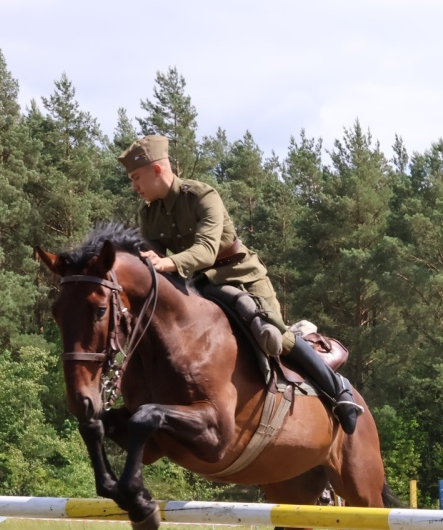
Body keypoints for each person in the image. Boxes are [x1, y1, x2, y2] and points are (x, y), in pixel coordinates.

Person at [119, 135, 363, 435]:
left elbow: (206, 250)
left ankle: (340, 393)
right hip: (199, 284)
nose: (134, 187)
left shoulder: (201, 196)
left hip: (240, 275)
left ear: (157, 170)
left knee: (274, 337)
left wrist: (166, 263)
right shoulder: (148, 213)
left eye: (136, 178)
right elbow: (153, 256)